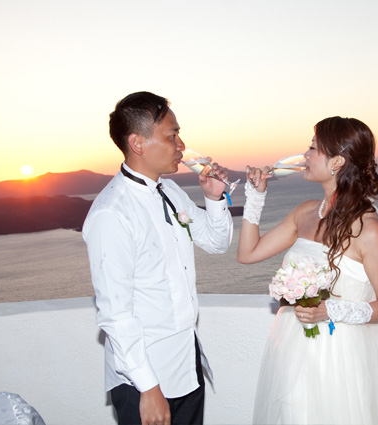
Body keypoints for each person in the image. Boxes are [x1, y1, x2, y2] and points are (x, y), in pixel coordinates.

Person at [238, 117, 378, 424]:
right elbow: (248, 253)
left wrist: (328, 309)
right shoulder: (304, 212)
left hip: (339, 358)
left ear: (337, 161)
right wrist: (255, 197)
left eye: (312, 147)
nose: (305, 155)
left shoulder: (369, 230)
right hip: (292, 348)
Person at [82, 91, 233, 425]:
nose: (181, 145)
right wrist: (149, 388)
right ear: (137, 143)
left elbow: (216, 242)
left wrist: (215, 198)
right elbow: (115, 314)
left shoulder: (170, 190)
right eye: (173, 135)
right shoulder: (112, 213)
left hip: (186, 364)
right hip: (144, 377)